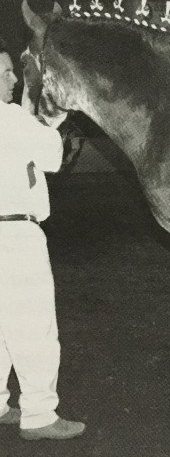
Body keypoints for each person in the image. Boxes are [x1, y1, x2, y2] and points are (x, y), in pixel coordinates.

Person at [0, 38, 85, 440]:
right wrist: (45, 114)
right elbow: (53, 156)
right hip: (15, 234)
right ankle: (38, 414)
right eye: (4, 73)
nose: (13, 78)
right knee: (34, 325)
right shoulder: (10, 117)